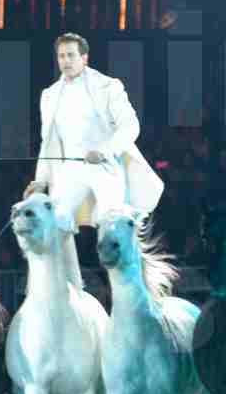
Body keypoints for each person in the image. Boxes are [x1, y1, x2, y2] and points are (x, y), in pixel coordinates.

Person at [23, 32, 164, 284]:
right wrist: (41, 180)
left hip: (105, 168)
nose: (65, 61)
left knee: (113, 223)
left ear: (84, 58)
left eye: (71, 55)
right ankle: (70, 285)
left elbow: (131, 126)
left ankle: (130, 287)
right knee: (56, 219)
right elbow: (49, 142)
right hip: (69, 171)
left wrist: (106, 150)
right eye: (61, 56)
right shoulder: (50, 94)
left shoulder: (108, 86)